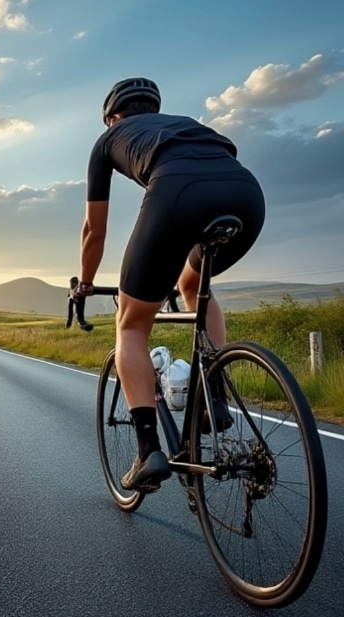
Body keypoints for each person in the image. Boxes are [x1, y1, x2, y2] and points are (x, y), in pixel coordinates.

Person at [74, 77, 265, 493]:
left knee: (130, 325)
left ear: (111, 118)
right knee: (194, 286)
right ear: (153, 110)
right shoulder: (186, 124)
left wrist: (85, 284)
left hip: (177, 191)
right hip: (247, 195)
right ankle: (212, 398)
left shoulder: (107, 141)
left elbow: (95, 231)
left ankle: (148, 452)